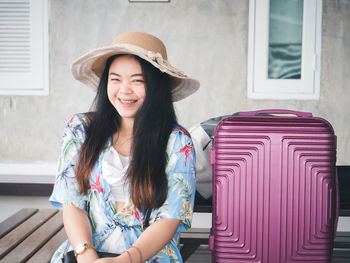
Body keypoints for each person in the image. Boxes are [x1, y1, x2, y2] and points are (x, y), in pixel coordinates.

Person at [49, 32, 200, 263]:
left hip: (150, 256)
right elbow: (72, 204)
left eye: (137, 80)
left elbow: (169, 219)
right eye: (115, 78)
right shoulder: (80, 130)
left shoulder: (177, 142)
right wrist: (86, 255)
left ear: (156, 86)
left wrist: (126, 260)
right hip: (83, 252)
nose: (124, 90)